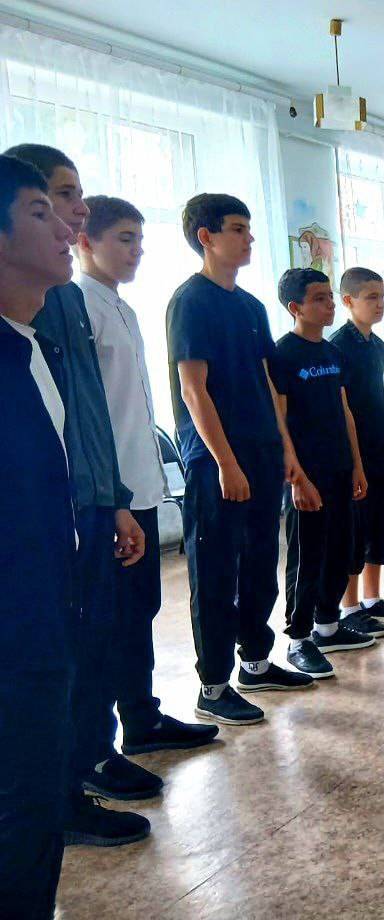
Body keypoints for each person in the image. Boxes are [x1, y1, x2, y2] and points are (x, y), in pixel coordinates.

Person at [3, 143, 150, 846]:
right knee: (53, 666)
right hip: (57, 518)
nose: (77, 213)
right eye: (55, 200)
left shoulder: (54, 304)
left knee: (91, 647)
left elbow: (84, 414)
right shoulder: (43, 306)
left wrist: (112, 496)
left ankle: (84, 767)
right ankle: (64, 788)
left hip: (89, 498)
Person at [77, 196, 220, 761]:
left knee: (140, 610)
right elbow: (89, 416)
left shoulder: (122, 307)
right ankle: (114, 734)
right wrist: (113, 496)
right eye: (124, 239)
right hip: (110, 492)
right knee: (113, 617)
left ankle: (143, 717)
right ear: (85, 241)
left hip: (139, 483)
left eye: (140, 240)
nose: (136, 251)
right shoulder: (79, 306)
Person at [168, 193, 315, 728]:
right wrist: (225, 463)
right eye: (237, 228)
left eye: (250, 228)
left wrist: (286, 453)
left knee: (259, 564)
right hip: (216, 461)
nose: (249, 238)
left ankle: (255, 662)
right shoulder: (191, 302)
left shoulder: (251, 307)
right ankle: (213, 686)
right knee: (215, 572)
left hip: (261, 453)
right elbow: (193, 390)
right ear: (206, 237)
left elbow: (269, 386)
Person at [0, 153, 80, 919]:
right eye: (39, 212)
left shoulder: (30, 346)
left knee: (35, 806)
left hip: (43, 619)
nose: (65, 228)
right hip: (14, 632)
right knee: (20, 808)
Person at [271, 268, 376, 678]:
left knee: (340, 548)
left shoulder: (333, 354)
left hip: (339, 467)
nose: (329, 305)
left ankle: (328, 626)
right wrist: (296, 477)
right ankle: (299, 639)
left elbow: (344, 411)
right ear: (295, 307)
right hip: (307, 475)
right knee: (307, 556)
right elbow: (279, 420)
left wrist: (357, 464)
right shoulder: (283, 354)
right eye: (319, 299)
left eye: (330, 297)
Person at [331, 267, 384, 629]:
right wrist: (354, 461)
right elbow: (342, 408)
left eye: (382, 297)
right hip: (354, 448)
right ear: (348, 301)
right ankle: (349, 607)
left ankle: (372, 597)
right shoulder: (337, 347)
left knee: (382, 520)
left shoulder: (378, 345)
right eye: (371, 297)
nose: (379, 304)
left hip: (380, 443)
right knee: (356, 526)